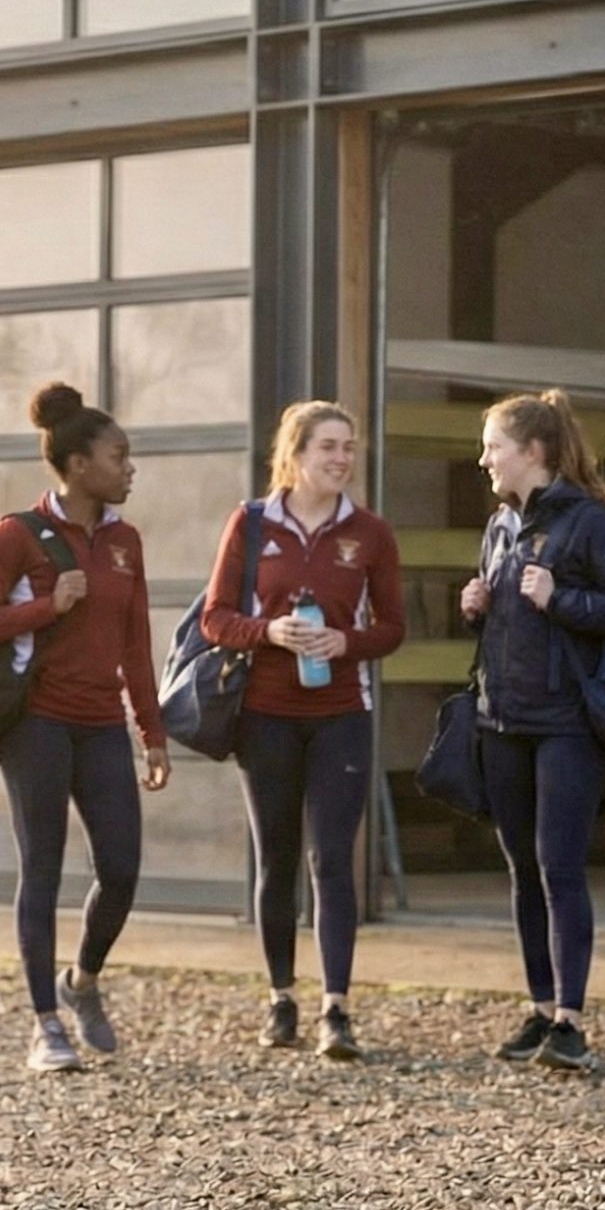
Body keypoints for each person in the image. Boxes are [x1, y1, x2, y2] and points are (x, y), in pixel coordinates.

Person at [0, 383, 170, 1073]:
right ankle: (44, 1025)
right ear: (78, 465)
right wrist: (46, 606)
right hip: (37, 724)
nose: (129, 467)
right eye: (118, 455)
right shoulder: (20, 534)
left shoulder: (126, 541)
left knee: (122, 870)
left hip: (103, 723)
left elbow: (135, 642)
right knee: (41, 868)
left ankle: (81, 981)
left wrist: (152, 732)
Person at [459, 389, 605, 1073]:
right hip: (502, 720)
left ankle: (571, 1022)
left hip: (567, 726)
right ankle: (541, 1008)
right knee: (521, 869)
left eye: (494, 446)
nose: (483, 458)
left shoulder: (592, 524)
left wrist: (562, 599)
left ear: (533, 453)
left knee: (559, 868)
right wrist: (476, 605)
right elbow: (511, 620)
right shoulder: (499, 527)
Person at [198, 401, 404, 1059]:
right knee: (278, 856)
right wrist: (270, 633)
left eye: (348, 447)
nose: (342, 459)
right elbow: (215, 619)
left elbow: (392, 629)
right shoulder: (252, 524)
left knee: (332, 860)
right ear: (296, 453)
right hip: (265, 715)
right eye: (328, 447)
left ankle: (335, 1009)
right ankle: (281, 997)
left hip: (343, 715)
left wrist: (344, 640)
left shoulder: (370, 534)